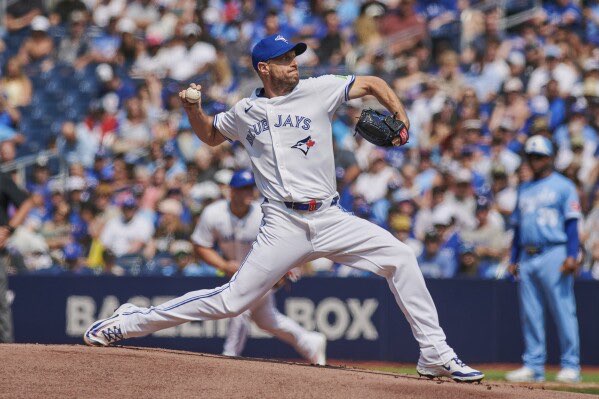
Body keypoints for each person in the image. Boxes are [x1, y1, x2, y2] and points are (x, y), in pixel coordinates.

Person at [84, 34, 483, 382]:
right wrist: (193, 109)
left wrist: (401, 115)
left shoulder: (320, 88)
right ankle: (129, 322)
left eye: (295, 57)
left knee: (400, 256)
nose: (294, 64)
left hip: (329, 216)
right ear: (264, 68)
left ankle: (434, 353)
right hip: (282, 221)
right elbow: (209, 136)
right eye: (285, 59)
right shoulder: (244, 111)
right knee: (231, 303)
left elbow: (374, 83)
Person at [191, 170, 326, 364]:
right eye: (242, 189)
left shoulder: (263, 214)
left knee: (240, 306)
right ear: (231, 191)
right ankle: (309, 341)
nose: (248, 193)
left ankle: (229, 356)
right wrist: (222, 264)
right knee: (267, 321)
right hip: (237, 274)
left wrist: (284, 269)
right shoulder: (214, 213)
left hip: (264, 273)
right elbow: (200, 245)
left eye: (250, 188)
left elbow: (284, 243)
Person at [506, 135, 582, 383]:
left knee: (563, 310)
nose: (534, 161)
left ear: (549, 158)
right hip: (528, 254)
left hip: (554, 251)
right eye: (531, 156)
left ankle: (571, 364)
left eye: (538, 156)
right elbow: (517, 227)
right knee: (531, 313)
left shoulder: (563, 186)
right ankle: (533, 365)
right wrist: (513, 256)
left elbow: (572, 223)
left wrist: (572, 254)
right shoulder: (524, 188)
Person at [0, 172, 33, 342]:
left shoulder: (2, 178)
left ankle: (6, 348)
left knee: (0, 302)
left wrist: (7, 229)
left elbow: (26, 202)